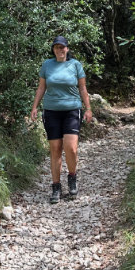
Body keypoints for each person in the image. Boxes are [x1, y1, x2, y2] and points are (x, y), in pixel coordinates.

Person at [30, 35, 93, 203]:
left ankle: (72, 178)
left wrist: (88, 109)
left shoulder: (75, 65)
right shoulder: (47, 65)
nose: (60, 50)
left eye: (62, 47)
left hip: (72, 110)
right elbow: (41, 87)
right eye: (56, 47)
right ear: (53, 49)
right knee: (55, 149)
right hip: (51, 111)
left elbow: (82, 87)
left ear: (67, 49)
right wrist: (35, 107)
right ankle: (56, 187)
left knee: (71, 148)